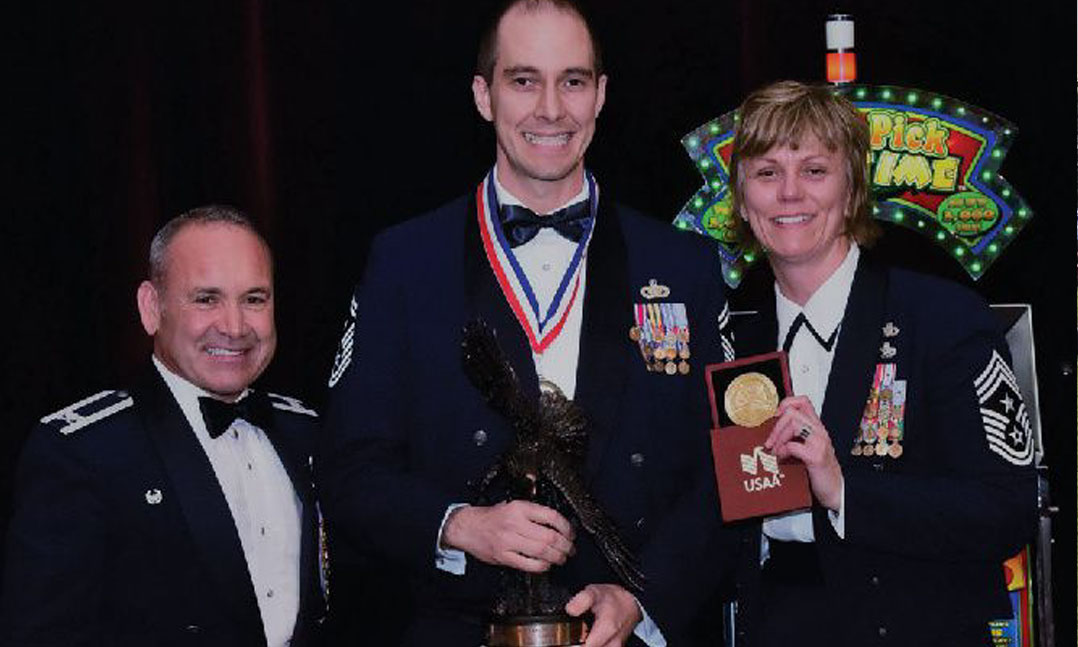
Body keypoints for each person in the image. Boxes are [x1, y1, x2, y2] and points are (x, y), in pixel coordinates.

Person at [317, 1, 730, 645]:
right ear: (484, 96)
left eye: (572, 81)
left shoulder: (685, 265)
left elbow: (727, 471)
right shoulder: (404, 261)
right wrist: (458, 524)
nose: (550, 108)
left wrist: (645, 599)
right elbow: (348, 470)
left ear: (600, 96)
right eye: (523, 80)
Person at [723, 80, 1038, 646]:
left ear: (851, 192)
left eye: (815, 171)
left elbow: (1006, 509)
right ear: (744, 202)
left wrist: (843, 491)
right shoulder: (732, 344)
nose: (789, 193)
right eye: (767, 174)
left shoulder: (944, 319)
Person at [1, 206, 325, 647]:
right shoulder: (84, 453)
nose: (234, 326)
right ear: (151, 308)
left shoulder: (306, 431)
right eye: (206, 299)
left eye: (254, 299)